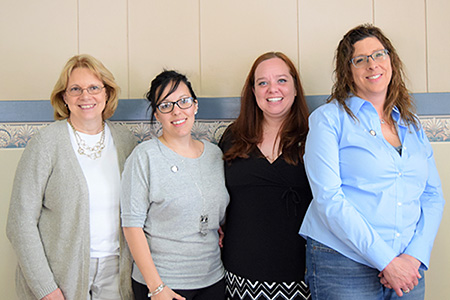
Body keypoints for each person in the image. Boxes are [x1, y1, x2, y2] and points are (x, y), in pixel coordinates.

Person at [299, 24, 445, 299]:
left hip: (407, 266)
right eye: (360, 59)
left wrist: (414, 257)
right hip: (342, 263)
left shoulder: (411, 125)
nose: (372, 64)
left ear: (391, 60)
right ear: (348, 71)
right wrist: (386, 261)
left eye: (379, 54)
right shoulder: (329, 119)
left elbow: (433, 195)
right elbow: (329, 198)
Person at [6, 54, 137, 300]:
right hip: (60, 275)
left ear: (107, 93)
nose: (85, 96)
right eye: (75, 89)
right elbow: (20, 223)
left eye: (94, 88)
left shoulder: (126, 141)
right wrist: (46, 288)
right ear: (64, 97)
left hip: (116, 270)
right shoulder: (46, 143)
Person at [120, 70, 229, 300]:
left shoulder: (215, 154)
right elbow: (131, 226)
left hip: (212, 280)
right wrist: (156, 288)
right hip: (163, 285)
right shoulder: (144, 157)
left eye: (183, 101)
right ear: (157, 115)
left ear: (195, 105)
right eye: (166, 105)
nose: (177, 111)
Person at [219, 52, 312, 300]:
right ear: (253, 90)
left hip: (300, 277)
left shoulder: (314, 136)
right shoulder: (232, 137)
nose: (273, 89)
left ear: (294, 87)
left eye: (281, 80)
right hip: (239, 276)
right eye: (263, 82)